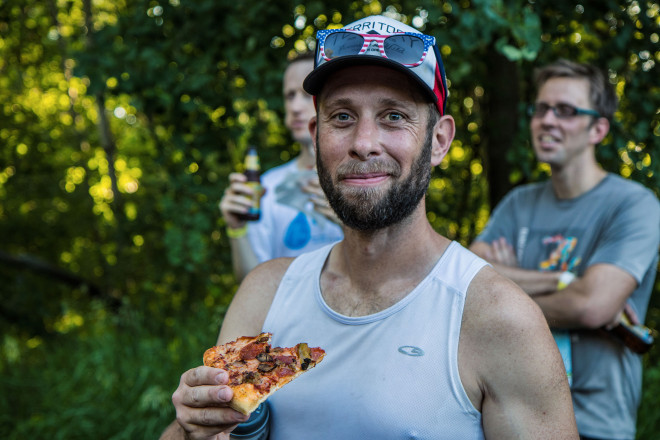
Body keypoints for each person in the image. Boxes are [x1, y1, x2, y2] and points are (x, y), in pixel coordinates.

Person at [162, 15, 578, 439]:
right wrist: (190, 426)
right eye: (342, 117)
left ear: (439, 140)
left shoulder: (497, 317)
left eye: (394, 116)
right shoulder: (265, 293)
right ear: (316, 134)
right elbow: (211, 432)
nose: (363, 143)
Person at [469, 59, 660, 440]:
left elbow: (592, 306)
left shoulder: (634, 205)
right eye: (541, 109)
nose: (548, 120)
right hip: (512, 413)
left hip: (595, 421)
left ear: (598, 129)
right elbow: (470, 277)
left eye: (567, 111)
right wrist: (563, 281)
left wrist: (504, 292)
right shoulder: (517, 204)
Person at [219, 53, 343, 281]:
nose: (295, 106)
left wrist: (350, 222)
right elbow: (252, 281)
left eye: (307, 95)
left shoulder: (361, 178)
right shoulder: (266, 186)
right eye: (289, 95)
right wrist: (236, 229)